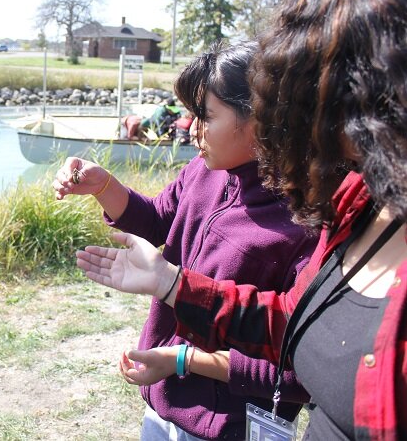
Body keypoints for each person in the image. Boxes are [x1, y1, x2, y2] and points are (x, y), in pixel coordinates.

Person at [75, 0, 407, 439]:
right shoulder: (353, 208)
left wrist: (187, 357)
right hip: (164, 408)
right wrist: (161, 272)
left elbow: (292, 368)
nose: (298, 112)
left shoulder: (309, 211)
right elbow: (294, 323)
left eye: (312, 85)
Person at [54, 41, 316, 440]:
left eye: (205, 115)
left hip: (231, 426)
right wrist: (103, 185)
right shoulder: (206, 169)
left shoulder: (305, 220)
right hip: (162, 404)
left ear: (260, 120)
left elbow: (301, 370)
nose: (191, 128)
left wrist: (184, 359)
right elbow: (160, 219)